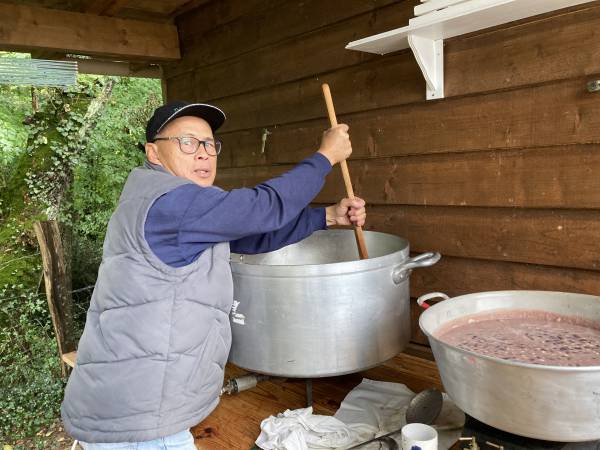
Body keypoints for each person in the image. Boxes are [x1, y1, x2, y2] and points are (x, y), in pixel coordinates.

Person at [61, 101, 366, 449]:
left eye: (209, 144)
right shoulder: (169, 202)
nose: (204, 153)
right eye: (188, 143)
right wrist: (325, 156)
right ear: (154, 153)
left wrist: (325, 217)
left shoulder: (171, 202)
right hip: (141, 418)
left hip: (134, 402)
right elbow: (261, 210)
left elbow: (252, 235)